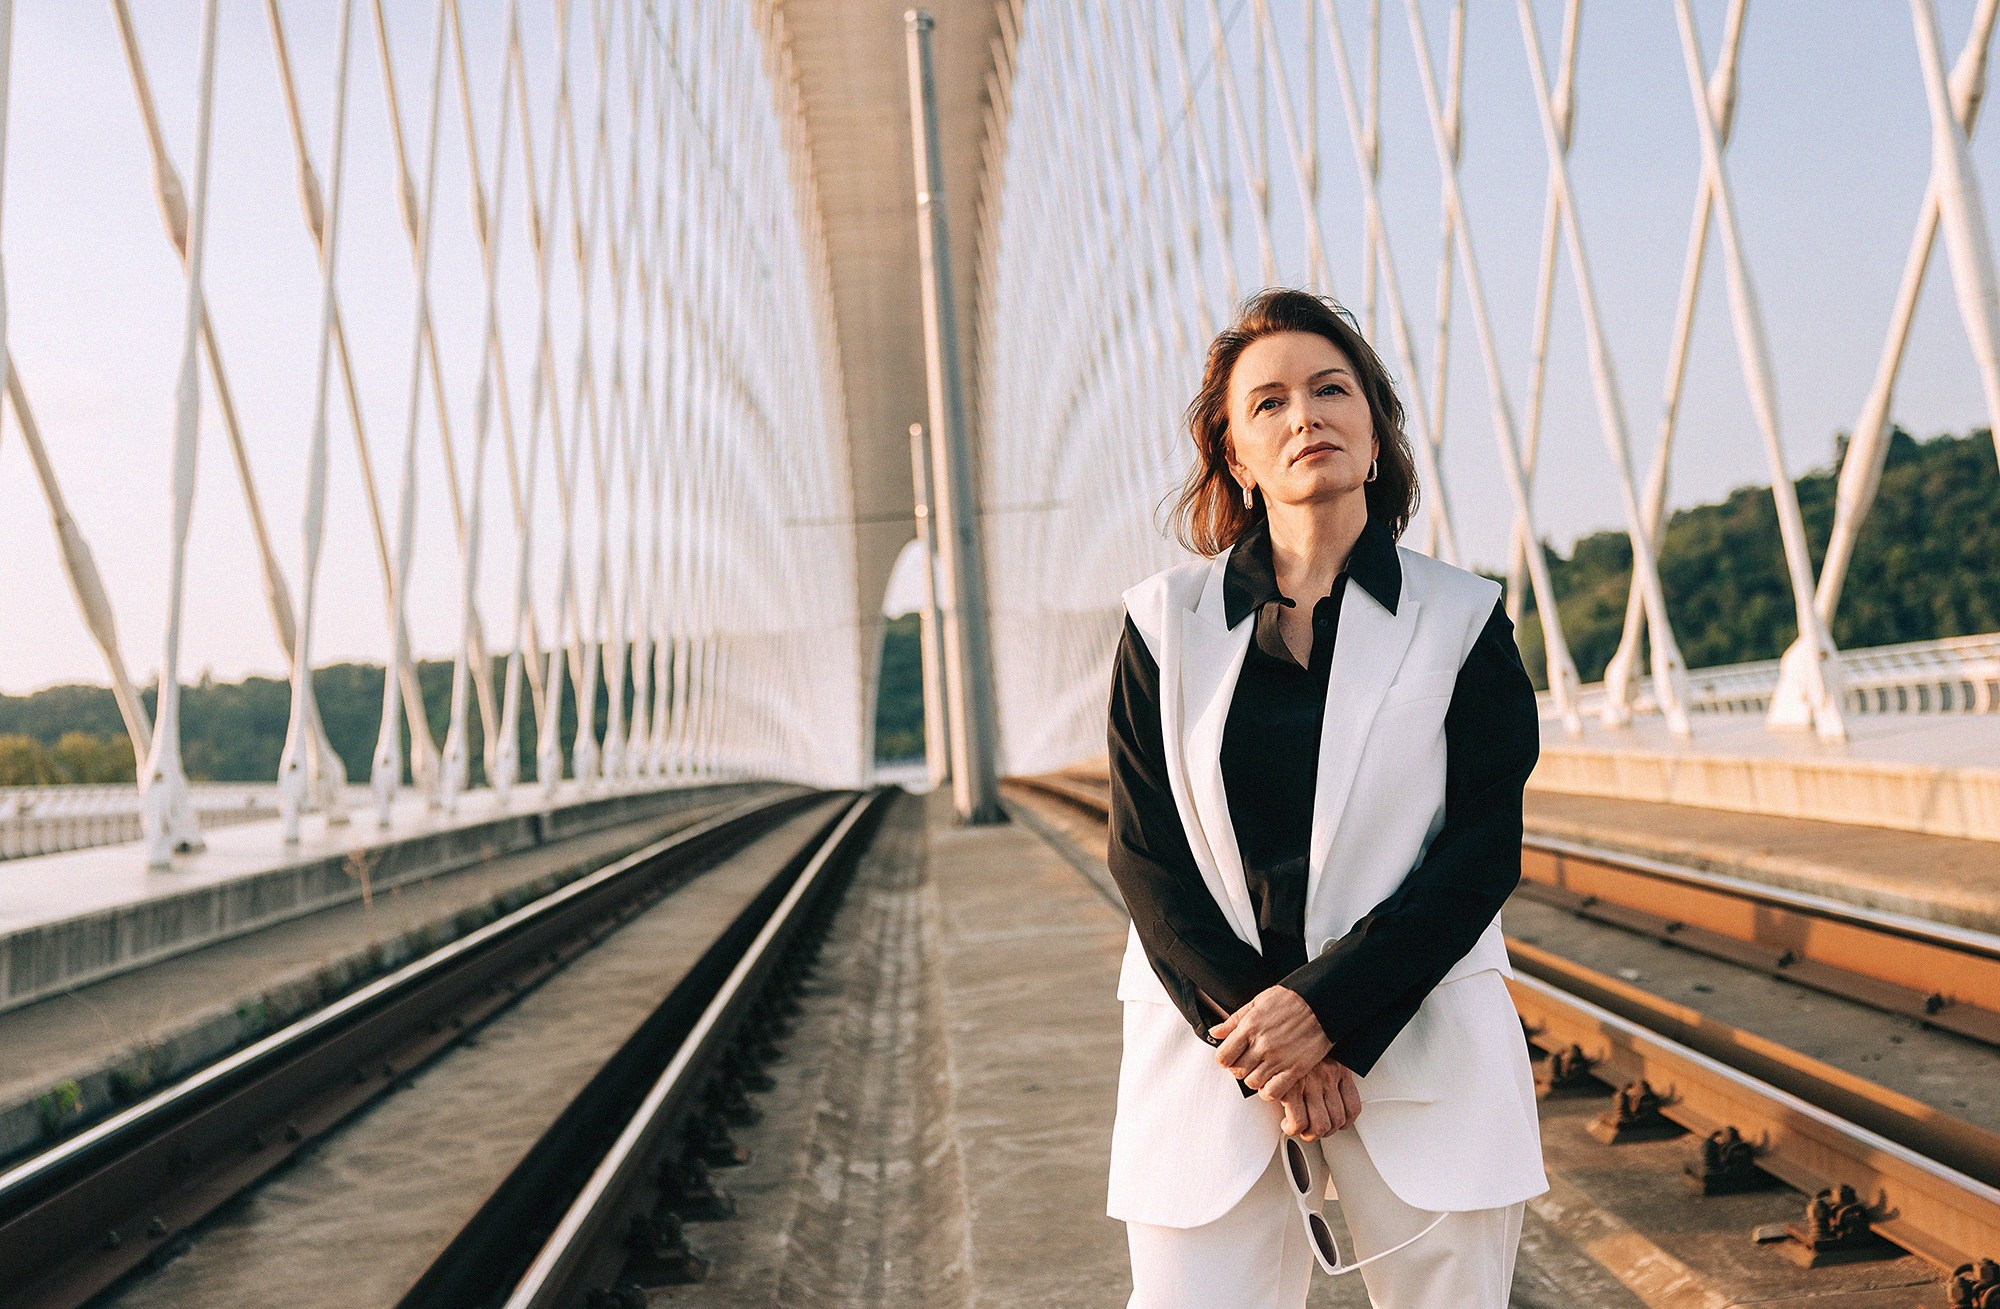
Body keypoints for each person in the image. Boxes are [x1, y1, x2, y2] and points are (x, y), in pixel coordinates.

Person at [1104, 288, 1547, 1308]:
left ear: (1375, 430)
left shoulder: (1461, 617)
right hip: (1211, 1047)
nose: (1303, 415)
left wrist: (1328, 1015)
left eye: (1329, 388)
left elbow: (1481, 849)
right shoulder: (1160, 627)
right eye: (1267, 403)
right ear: (1234, 456)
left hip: (1418, 1032)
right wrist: (1273, 1045)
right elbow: (1146, 859)